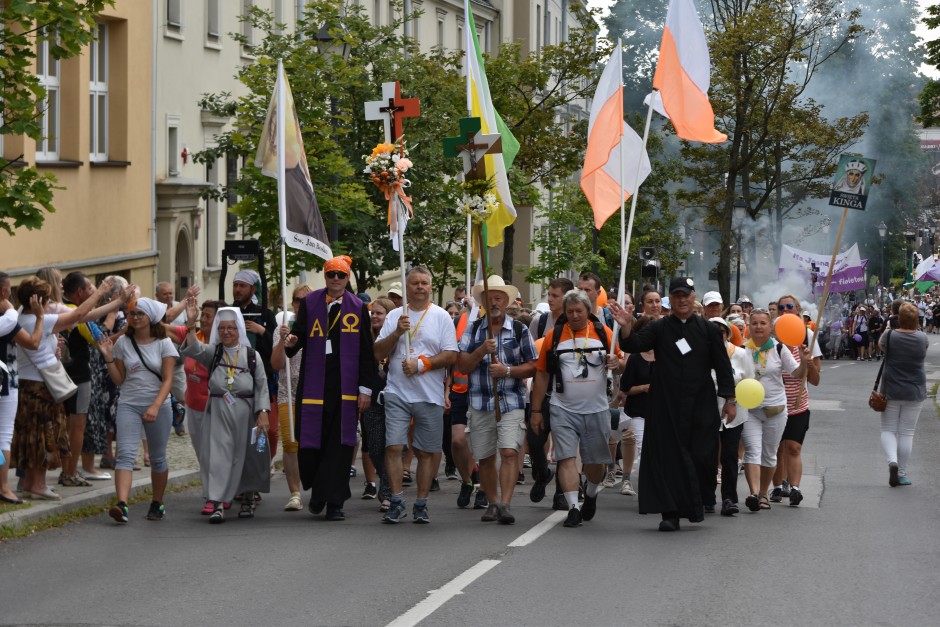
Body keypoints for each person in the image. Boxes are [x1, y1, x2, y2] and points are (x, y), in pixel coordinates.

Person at [609, 277, 735, 532]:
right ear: (672, 299)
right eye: (676, 296)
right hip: (666, 404)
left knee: (701, 456)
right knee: (668, 459)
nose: (681, 300)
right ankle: (670, 513)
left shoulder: (709, 330)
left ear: (692, 296)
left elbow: (723, 367)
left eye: (685, 295)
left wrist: (729, 400)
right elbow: (633, 344)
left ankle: (699, 502)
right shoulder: (660, 328)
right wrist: (625, 326)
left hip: (700, 404)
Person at [12, 277, 127, 502]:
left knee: (30, 435)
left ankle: (29, 484)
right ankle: (38, 484)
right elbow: (79, 315)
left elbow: (80, 316)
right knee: (45, 435)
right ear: (38, 301)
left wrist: (114, 304)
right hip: (41, 387)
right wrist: (101, 292)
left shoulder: (20, 317)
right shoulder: (38, 320)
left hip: (26, 385)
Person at [283, 256, 375, 521]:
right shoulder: (311, 303)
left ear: (348, 279)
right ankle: (318, 490)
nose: (335, 279)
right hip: (313, 385)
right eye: (331, 274)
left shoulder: (358, 307)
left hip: (343, 387)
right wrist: (289, 342)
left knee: (340, 445)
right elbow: (297, 341)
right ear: (325, 276)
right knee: (310, 444)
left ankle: (334, 501)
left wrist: (365, 389)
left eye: (341, 275)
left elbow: (366, 353)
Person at [530, 289, 624, 528]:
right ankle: (573, 507)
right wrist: (536, 410)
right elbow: (542, 375)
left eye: (578, 311)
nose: (574, 315)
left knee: (595, 463)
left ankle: (591, 493)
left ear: (588, 311)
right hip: (563, 408)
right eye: (569, 311)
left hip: (596, 409)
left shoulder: (604, 334)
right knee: (566, 458)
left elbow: (621, 364)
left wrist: (617, 362)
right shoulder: (554, 336)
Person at [373, 266, 457, 524]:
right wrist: (397, 333)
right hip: (397, 392)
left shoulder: (441, 316)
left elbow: (452, 355)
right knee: (394, 447)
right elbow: (377, 352)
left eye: (424, 283)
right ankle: (397, 500)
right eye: (414, 283)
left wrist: (423, 365)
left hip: (428, 394)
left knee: (426, 452)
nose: (419, 287)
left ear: (430, 287)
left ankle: (421, 503)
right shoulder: (396, 316)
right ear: (407, 287)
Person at [456, 276, 538, 525]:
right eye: (489, 298)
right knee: (486, 456)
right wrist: (482, 350)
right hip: (480, 401)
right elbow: (462, 365)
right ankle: (492, 502)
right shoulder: (473, 329)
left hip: (510, 400)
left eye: (498, 298)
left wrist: (508, 371)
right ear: (482, 302)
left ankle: (506, 503)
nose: (494, 302)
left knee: (509, 451)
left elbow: (534, 365)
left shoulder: (520, 329)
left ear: (506, 302)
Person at [180, 307, 271, 522]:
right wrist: (191, 322)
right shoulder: (214, 352)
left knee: (248, 456)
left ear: (238, 329)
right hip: (219, 411)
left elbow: (262, 386)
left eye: (231, 327)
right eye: (222, 328)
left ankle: (248, 497)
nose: (226, 332)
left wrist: (263, 412)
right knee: (219, 457)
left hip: (246, 411)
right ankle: (219, 502)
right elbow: (193, 348)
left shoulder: (252, 355)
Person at [98, 297, 177, 523]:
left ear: (150, 317)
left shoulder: (164, 343)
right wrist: (108, 358)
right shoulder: (123, 342)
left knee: (158, 457)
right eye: (132, 313)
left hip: (158, 405)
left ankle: (157, 502)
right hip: (129, 404)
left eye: (140, 314)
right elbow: (120, 380)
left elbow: (168, 380)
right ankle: (122, 505)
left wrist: (155, 405)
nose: (134, 317)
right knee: (125, 455)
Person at [739, 309, 809, 513]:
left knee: (769, 455)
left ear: (770, 327)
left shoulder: (779, 349)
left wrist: (805, 361)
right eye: (754, 323)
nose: (758, 327)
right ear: (748, 326)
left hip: (776, 410)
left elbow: (797, 374)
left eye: (763, 323)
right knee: (752, 450)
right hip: (751, 410)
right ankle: (753, 494)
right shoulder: (743, 350)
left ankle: (763, 493)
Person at [167, 298, 225, 514]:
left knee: (217, 453)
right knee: (203, 454)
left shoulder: (226, 339)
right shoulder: (193, 334)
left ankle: (215, 496)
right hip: (195, 405)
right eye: (203, 314)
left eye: (209, 316)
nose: (204, 318)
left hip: (219, 406)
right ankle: (213, 492)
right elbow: (161, 327)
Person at [526, 277, 574, 511]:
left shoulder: (575, 321)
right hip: (543, 391)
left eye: (555, 296)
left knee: (565, 445)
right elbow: (533, 355)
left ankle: (561, 492)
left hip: (567, 393)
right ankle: (542, 472)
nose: (550, 299)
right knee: (534, 440)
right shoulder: (540, 321)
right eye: (549, 295)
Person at [770, 295, 821, 507]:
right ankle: (777, 486)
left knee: (792, 447)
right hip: (774, 404)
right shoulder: (771, 336)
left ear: (798, 309)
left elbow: (816, 380)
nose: (785, 310)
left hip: (798, 404)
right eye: (781, 307)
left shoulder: (808, 336)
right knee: (777, 449)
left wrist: (808, 363)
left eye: (789, 306)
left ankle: (795, 488)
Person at [0, 277, 45, 504]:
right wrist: (39, 318)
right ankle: (4, 487)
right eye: (8, 289)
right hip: (6, 382)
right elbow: (33, 342)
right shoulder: (7, 320)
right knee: (4, 436)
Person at [878, 302, 928, 487]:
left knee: (888, 429)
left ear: (899, 318)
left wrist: (892, 328)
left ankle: (892, 461)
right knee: (907, 432)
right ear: (916, 320)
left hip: (891, 389)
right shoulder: (922, 338)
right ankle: (902, 472)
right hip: (915, 389)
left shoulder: (890, 335)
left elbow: (881, 347)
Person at [270, 285, 310, 512]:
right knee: (290, 443)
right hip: (288, 391)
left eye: (306, 300)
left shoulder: (318, 325)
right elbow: (275, 364)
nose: (301, 304)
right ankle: (295, 492)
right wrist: (282, 341)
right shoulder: (283, 327)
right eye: (297, 300)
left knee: (313, 442)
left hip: (312, 392)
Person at [708, 317, 753, 516]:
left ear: (728, 333)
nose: (718, 334)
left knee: (729, 455)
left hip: (734, 412)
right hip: (707, 411)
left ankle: (729, 498)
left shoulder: (742, 354)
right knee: (707, 455)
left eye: (722, 331)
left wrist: (733, 402)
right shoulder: (700, 353)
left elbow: (749, 382)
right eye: (713, 331)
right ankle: (707, 497)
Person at [231, 269, 279, 451]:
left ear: (252, 289)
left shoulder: (265, 315)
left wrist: (261, 331)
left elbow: (275, 347)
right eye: (235, 285)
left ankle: (268, 459)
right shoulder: (229, 311)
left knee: (271, 430)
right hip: (236, 376)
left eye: (242, 286)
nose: (237, 290)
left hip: (263, 378)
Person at [359, 297, 396, 512]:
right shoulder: (365, 338)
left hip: (395, 398)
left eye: (379, 313)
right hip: (371, 398)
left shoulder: (399, 339)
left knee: (391, 445)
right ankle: (386, 478)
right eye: (372, 312)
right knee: (373, 447)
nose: (374, 316)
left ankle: (389, 490)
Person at [617, 315, 655, 499]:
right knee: (643, 448)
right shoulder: (635, 359)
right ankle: (646, 486)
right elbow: (625, 389)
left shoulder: (667, 355)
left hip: (661, 412)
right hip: (639, 412)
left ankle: (657, 485)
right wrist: (643, 388)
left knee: (658, 450)